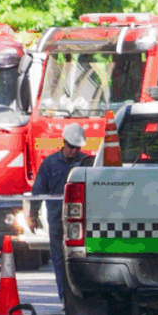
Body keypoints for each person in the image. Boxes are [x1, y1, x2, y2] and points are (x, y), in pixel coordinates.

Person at [29, 123, 89, 302]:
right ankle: (66, 301)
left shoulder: (86, 163)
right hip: (57, 222)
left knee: (82, 260)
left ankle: (82, 299)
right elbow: (38, 191)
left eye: (77, 148)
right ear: (64, 143)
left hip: (80, 222)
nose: (74, 151)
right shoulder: (49, 164)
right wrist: (32, 215)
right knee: (59, 262)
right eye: (71, 147)